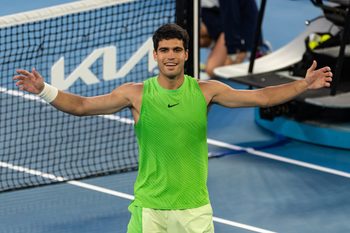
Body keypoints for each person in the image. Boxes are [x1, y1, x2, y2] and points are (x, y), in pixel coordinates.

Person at [13, 23, 332, 232]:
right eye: (164, 50)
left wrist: (303, 86)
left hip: (194, 211)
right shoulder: (134, 94)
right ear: (155, 55)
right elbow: (81, 106)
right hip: (150, 211)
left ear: (186, 54)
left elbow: (261, 96)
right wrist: (44, 89)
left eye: (176, 50)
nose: (170, 56)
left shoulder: (207, 92)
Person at [201, 0, 269, 77]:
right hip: (220, 20)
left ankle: (257, 49)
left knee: (211, 70)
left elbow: (231, 17)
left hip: (241, 30)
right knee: (193, 32)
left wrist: (234, 52)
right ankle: (216, 44)